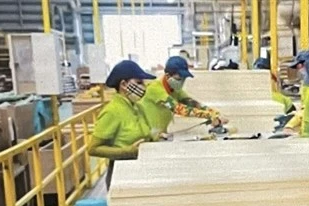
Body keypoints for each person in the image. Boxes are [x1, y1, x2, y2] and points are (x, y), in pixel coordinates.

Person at [88, 60, 156, 190]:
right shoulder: (112, 111)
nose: (144, 87)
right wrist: (127, 151)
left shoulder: (137, 107)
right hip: (121, 174)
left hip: (140, 170)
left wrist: (155, 137)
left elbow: (143, 133)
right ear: (124, 84)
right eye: (139, 83)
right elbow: (93, 149)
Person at [140, 56, 226, 136]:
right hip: (146, 134)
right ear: (167, 75)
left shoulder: (174, 89)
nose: (181, 82)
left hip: (159, 134)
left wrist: (214, 112)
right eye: (179, 79)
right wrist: (208, 115)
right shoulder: (155, 89)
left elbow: (191, 103)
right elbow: (178, 109)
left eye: (184, 79)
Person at [283, 50, 309, 134]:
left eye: (300, 66)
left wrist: (291, 124)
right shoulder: (306, 84)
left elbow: (308, 109)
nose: (299, 69)